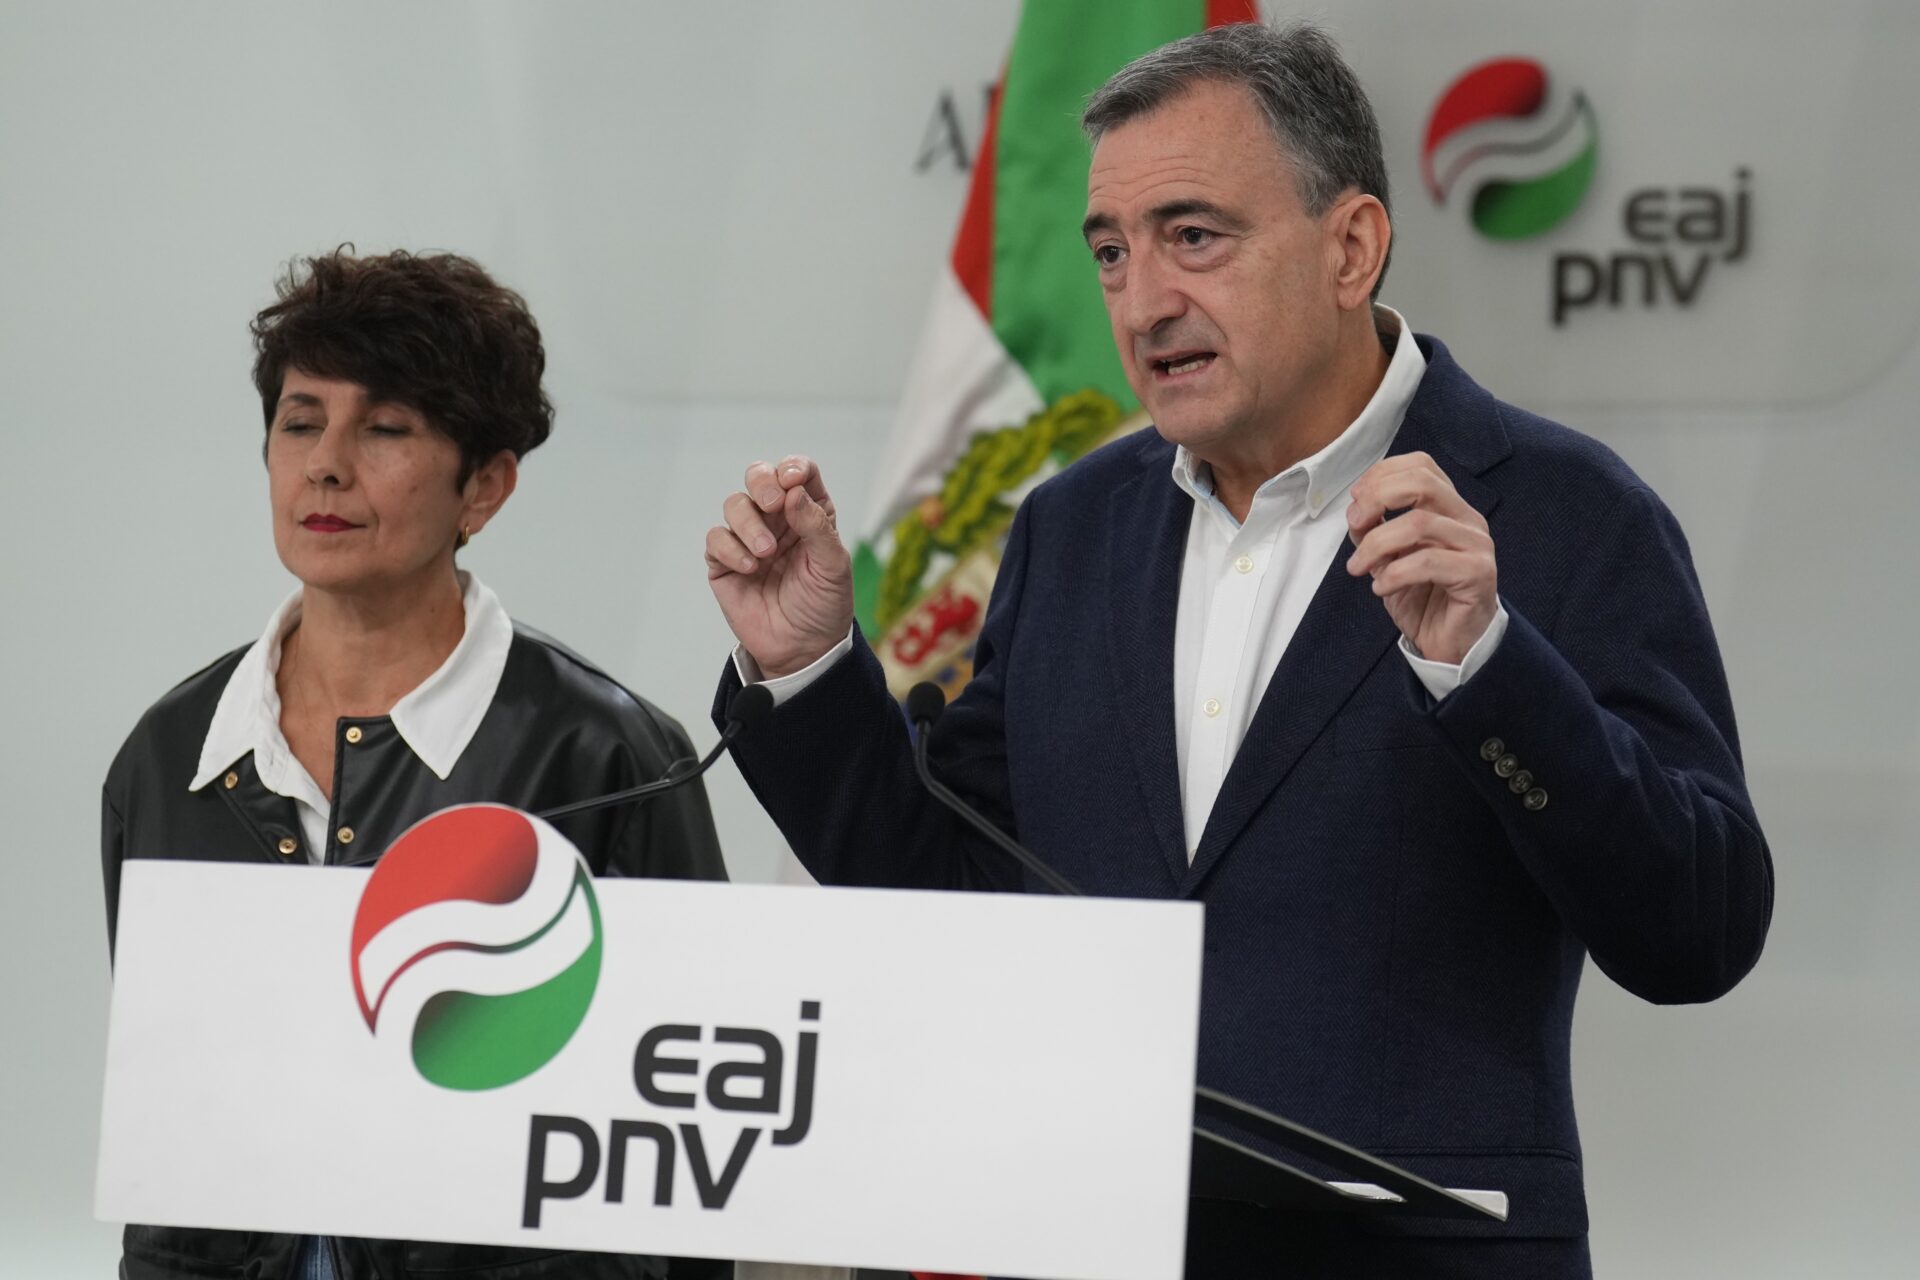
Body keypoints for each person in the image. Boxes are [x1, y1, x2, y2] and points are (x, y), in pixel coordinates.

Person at [704, 23, 1771, 1280]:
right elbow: (964, 889)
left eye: (1194, 236)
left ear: (1350, 247)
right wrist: (810, 670)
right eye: (1113, 251)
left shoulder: (1561, 512)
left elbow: (1697, 927)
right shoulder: (1070, 529)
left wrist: (1488, 668)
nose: (1143, 301)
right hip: (1087, 1243)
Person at [103, 249, 731, 1280]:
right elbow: (169, 1113)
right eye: (301, 422)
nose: (326, 464)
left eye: (385, 428)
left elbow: (690, 1152)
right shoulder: (170, 752)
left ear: (484, 485)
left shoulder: (608, 754)